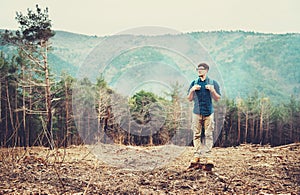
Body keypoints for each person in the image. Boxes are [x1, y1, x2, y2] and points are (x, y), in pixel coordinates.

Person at [187, 62, 221, 165]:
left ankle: (208, 157)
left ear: (206, 70)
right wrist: (192, 90)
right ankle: (197, 156)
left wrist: (212, 90)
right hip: (196, 112)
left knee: (208, 135)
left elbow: (217, 98)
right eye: (198, 69)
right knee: (196, 135)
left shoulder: (213, 83)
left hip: (208, 113)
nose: (199, 70)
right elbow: (189, 99)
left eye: (201, 69)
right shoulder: (194, 83)